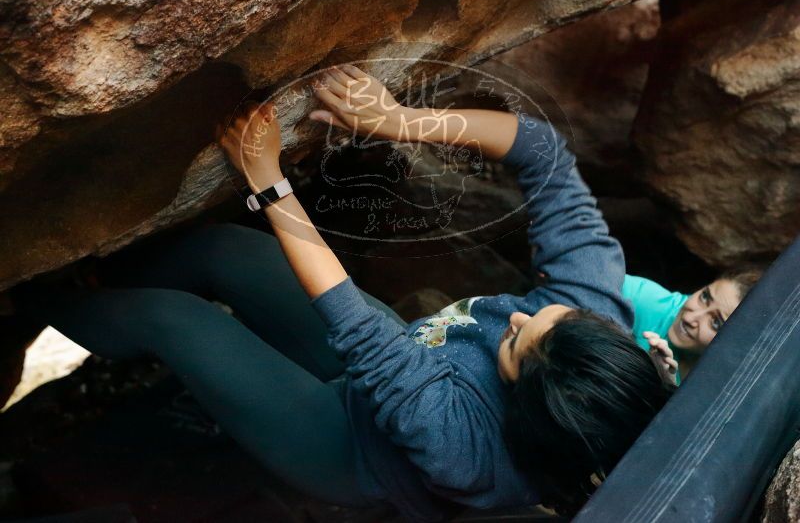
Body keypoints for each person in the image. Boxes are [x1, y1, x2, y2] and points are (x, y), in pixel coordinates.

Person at [14, 65, 673, 519]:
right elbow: (546, 155)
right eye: (543, 319)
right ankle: (100, 288)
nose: (515, 322)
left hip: (349, 448)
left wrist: (269, 183)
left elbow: (361, 331)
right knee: (225, 251)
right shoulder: (595, 310)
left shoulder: (468, 452)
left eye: (514, 350)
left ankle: (31, 300)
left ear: (521, 416)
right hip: (401, 360)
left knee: (174, 321)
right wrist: (403, 120)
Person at [624, 268, 763, 384]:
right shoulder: (642, 299)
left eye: (715, 323)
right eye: (705, 297)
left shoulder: (731, 384)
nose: (689, 318)